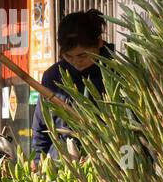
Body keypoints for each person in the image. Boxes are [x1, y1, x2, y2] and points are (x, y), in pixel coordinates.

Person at [32, 9, 110, 157]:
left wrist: (129, 167)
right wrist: (37, 159)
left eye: (83, 55)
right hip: (63, 162)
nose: (76, 62)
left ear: (99, 42)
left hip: (106, 162)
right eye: (69, 56)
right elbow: (42, 125)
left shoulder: (116, 73)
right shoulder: (53, 76)